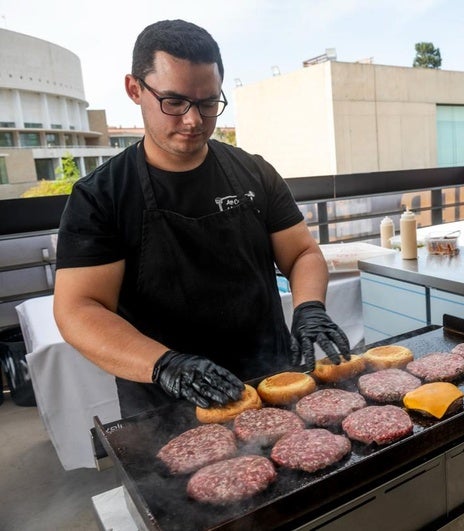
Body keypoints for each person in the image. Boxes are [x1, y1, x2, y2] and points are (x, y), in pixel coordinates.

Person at [52, 20, 351, 417]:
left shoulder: (254, 172)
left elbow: (301, 253)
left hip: (273, 381)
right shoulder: (101, 196)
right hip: (167, 403)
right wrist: (166, 365)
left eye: (208, 103)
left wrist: (310, 307)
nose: (194, 120)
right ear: (135, 89)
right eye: (174, 102)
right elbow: (78, 309)